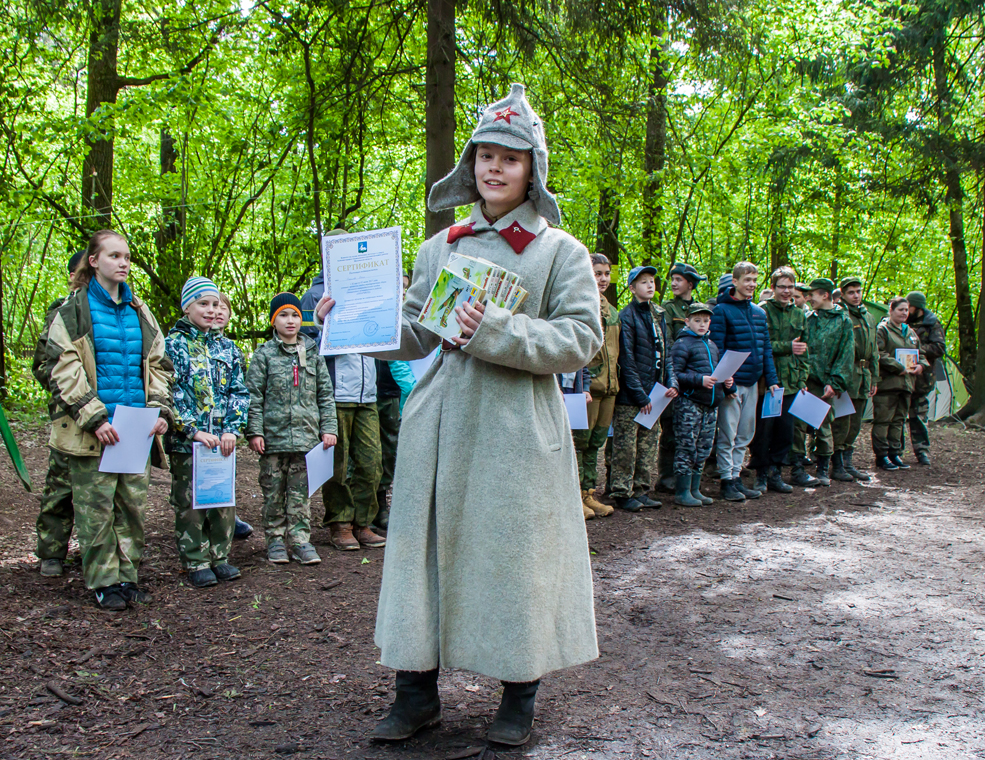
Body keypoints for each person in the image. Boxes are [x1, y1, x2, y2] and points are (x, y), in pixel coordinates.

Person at [316, 83, 603, 747]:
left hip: (515, 431)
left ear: (531, 170)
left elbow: (578, 341)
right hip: (437, 424)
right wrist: (355, 321)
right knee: (420, 556)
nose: (493, 167)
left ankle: (518, 695)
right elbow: (414, 337)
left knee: (513, 559)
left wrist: (494, 328)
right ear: (470, 164)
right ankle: (414, 694)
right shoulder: (438, 246)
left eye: (510, 157)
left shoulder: (557, 250)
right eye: (484, 155)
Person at [44, 230, 172, 610]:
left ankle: (128, 577)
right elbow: (62, 367)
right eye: (114, 256)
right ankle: (104, 582)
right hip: (94, 431)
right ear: (95, 261)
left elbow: (159, 364)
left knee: (131, 508)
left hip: (135, 427)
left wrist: (160, 409)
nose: (123, 263)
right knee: (95, 510)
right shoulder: (73, 311)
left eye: (127, 257)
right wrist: (94, 417)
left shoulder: (140, 310)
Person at [165, 277, 250, 588]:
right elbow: (170, 392)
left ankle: (221, 557)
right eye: (203, 304)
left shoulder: (228, 348)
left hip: (222, 443)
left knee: (222, 500)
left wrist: (232, 429)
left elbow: (238, 392)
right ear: (187, 307)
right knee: (190, 502)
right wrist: (191, 430)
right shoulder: (172, 344)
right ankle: (196, 560)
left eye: (216, 304)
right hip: (189, 443)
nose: (212, 310)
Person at [246, 293, 337, 565]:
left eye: (295, 315)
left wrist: (328, 428)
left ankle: (300, 540)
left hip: (306, 438)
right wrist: (254, 431)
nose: (290, 321)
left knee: (300, 494)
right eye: (283, 315)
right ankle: (274, 540)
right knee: (273, 493)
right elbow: (253, 396)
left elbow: (325, 395)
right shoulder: (263, 355)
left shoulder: (313, 353)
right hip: (272, 440)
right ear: (274, 321)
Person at [304, 269, 387, 552]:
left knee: (372, 463)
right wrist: (321, 322)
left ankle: (363, 523)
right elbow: (303, 346)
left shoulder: (373, 297)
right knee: (338, 465)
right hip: (336, 394)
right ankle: (340, 524)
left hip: (368, 395)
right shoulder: (315, 297)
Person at [33, 249, 85, 577]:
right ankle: (51, 551)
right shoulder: (60, 314)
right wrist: (67, 396)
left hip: (110, 413)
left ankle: (101, 552)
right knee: (60, 486)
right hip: (68, 415)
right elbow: (42, 364)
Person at [710, 262, 780, 501]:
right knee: (728, 433)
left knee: (745, 433)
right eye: (747, 280)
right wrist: (725, 381)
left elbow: (765, 349)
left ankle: (737, 476)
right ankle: (726, 480)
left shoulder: (759, 313)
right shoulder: (722, 311)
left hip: (753, 382)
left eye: (754, 280)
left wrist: (771, 379)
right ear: (735, 282)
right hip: (733, 383)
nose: (751, 284)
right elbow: (716, 348)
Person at [612, 265, 679, 512]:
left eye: (652, 281)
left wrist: (671, 383)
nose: (649, 285)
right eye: (643, 282)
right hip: (632, 397)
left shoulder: (659, 315)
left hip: (656, 394)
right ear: (632, 288)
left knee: (648, 445)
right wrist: (639, 395)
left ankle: (641, 489)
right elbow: (626, 359)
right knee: (626, 447)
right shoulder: (626, 316)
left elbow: (667, 352)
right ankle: (622, 491)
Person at [749, 267, 815, 492]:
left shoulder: (799, 314)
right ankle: (761, 473)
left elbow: (804, 349)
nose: (786, 291)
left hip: (791, 383)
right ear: (773, 287)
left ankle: (776, 472)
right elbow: (760, 345)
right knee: (764, 429)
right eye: (782, 287)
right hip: (767, 381)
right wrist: (788, 347)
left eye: (790, 287)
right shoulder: (762, 311)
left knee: (785, 430)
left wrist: (802, 377)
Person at [669, 304, 734, 506]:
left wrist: (727, 382)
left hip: (710, 404)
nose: (702, 324)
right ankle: (682, 491)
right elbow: (675, 373)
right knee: (687, 446)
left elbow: (717, 372)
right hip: (690, 403)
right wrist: (700, 380)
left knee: (703, 447)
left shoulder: (712, 345)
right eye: (697, 320)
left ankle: (695, 489)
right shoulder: (682, 344)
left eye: (705, 321)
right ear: (687, 321)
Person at [572, 253, 618, 518]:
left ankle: (589, 493)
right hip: (586, 387)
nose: (602, 279)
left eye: (606, 273)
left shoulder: (610, 310)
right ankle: (575, 494)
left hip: (609, 387)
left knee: (596, 444)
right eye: (597, 273)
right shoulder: (581, 304)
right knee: (580, 441)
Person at [657, 262, 708, 493]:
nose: (674, 284)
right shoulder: (667, 308)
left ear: (690, 283)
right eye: (673, 279)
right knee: (670, 429)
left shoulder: (701, 309)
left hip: (697, 382)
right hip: (674, 375)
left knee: (694, 433)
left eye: (679, 279)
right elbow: (666, 343)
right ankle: (666, 476)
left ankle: (687, 478)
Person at [802, 278, 854, 486]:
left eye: (812, 294)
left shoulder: (842, 320)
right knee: (802, 425)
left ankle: (823, 468)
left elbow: (846, 354)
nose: (808, 298)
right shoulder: (808, 318)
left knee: (823, 425)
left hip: (827, 383)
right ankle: (800, 464)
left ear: (824, 295)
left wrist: (836, 382)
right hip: (807, 381)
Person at [213, 292, 255, 541]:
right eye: (211, 306)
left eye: (223, 308)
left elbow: (239, 389)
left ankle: (228, 515)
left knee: (224, 469)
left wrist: (235, 424)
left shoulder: (233, 350)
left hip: (225, 422)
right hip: (196, 426)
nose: (217, 311)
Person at [830, 277, 879, 482]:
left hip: (863, 375)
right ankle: (836, 463)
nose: (856, 295)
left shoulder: (868, 316)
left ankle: (848, 461)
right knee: (842, 420)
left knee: (856, 422)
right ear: (843, 294)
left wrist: (874, 378)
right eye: (851, 292)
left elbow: (874, 350)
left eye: (858, 291)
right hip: (846, 374)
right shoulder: (840, 315)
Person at [873, 297, 929, 470]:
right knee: (883, 420)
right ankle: (881, 456)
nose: (904, 313)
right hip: (888, 384)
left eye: (906, 310)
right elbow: (878, 353)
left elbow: (922, 355)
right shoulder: (882, 330)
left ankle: (894, 453)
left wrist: (921, 366)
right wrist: (899, 367)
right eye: (900, 310)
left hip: (906, 384)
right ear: (891, 310)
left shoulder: (911, 333)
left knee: (898, 421)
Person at [905, 291, 946, 465]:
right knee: (897, 417)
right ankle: (894, 452)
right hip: (902, 376)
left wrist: (916, 349)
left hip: (922, 378)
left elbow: (939, 348)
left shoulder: (932, 324)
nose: (907, 310)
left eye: (910, 307)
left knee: (919, 416)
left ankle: (922, 451)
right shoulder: (901, 322)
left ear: (918, 307)